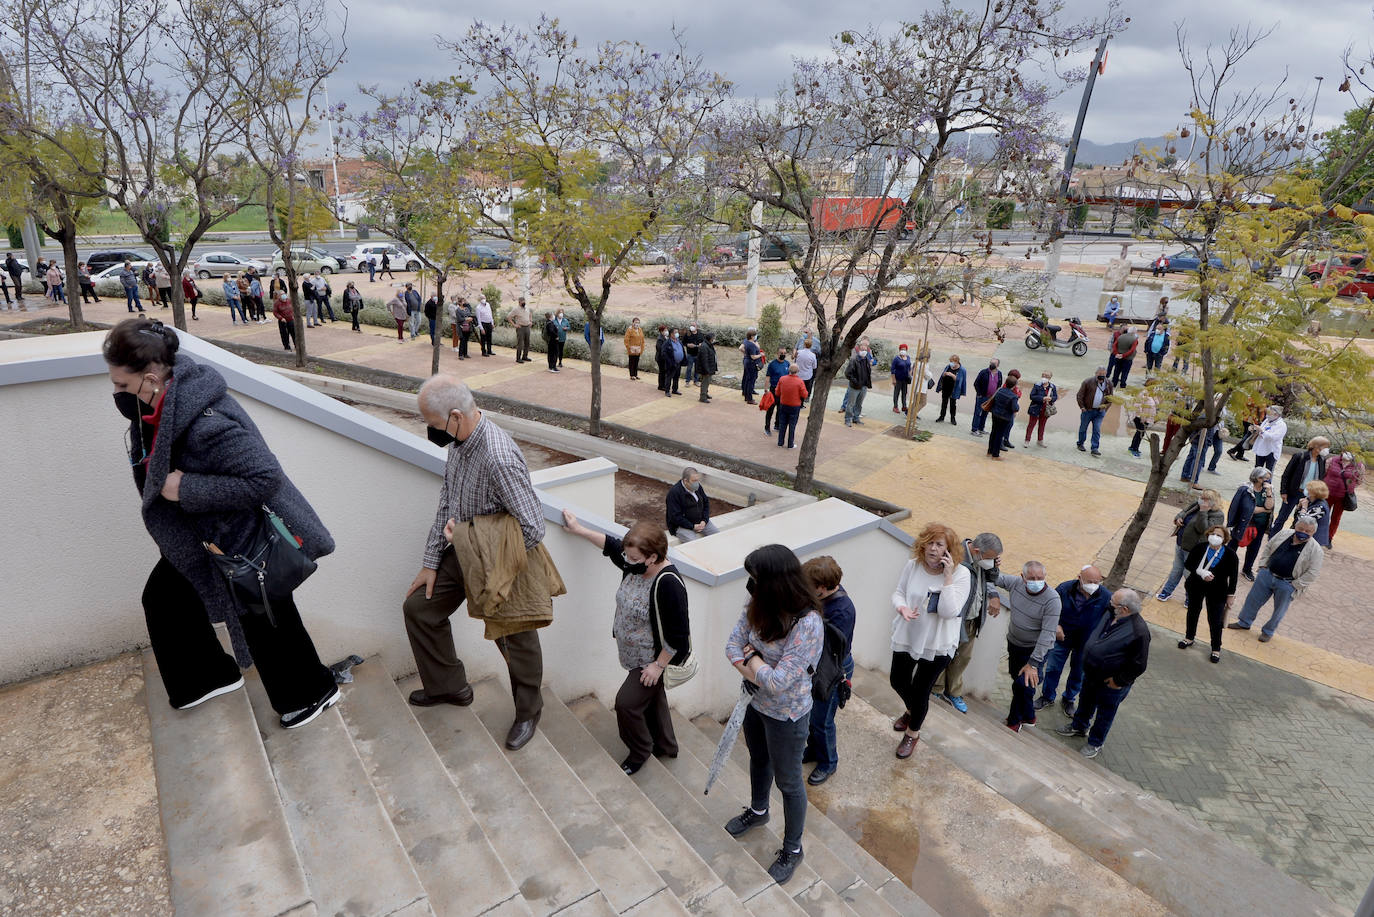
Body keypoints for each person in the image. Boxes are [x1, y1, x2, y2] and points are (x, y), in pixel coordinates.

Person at [103, 318, 338, 728]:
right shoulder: (165, 400)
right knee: (166, 600)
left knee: (267, 619)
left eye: (122, 385)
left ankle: (313, 692)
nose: (117, 393)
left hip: (241, 540)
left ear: (153, 377)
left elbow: (265, 477)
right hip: (203, 536)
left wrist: (187, 489)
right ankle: (206, 677)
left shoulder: (205, 423)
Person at [404, 376, 562, 751]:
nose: (431, 431)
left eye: (433, 424)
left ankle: (528, 712)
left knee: (516, 640)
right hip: (461, 555)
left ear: (456, 416)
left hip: (502, 563)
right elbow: (447, 499)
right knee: (419, 609)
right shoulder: (458, 444)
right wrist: (430, 562)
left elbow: (533, 527)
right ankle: (449, 687)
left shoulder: (499, 457)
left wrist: (477, 541)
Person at [723, 544, 825, 885]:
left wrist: (750, 659)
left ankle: (793, 849)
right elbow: (731, 645)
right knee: (758, 759)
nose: (751, 585)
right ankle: (758, 811)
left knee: (789, 781)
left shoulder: (807, 623)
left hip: (788, 716)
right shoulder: (759, 603)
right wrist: (757, 667)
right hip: (755, 703)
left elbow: (780, 683)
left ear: (777, 581)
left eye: (756, 578)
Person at [562, 512, 689, 775]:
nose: (627, 562)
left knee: (627, 704)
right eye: (628, 556)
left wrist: (657, 667)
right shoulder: (635, 564)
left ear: (653, 557)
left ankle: (640, 751)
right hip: (632, 654)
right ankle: (666, 746)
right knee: (653, 699)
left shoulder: (668, 584)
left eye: (633, 558)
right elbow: (611, 546)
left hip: (650, 660)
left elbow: (678, 635)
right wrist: (579, 530)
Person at [887, 523, 972, 758]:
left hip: (938, 643)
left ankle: (912, 733)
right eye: (930, 543)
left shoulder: (961, 575)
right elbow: (899, 592)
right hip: (909, 633)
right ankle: (912, 711)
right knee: (897, 679)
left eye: (939, 545)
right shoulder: (913, 565)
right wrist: (901, 607)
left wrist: (947, 578)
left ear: (948, 550)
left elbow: (948, 611)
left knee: (921, 689)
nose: (933, 549)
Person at [1054, 589, 1150, 758]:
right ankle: (1079, 726)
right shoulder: (1112, 613)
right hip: (1092, 674)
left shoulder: (1139, 632)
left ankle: (1095, 742)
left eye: (1113, 602)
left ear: (1125, 609)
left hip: (1111, 683)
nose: (1109, 603)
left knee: (1105, 714)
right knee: (1085, 701)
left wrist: (1118, 681)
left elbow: (1139, 665)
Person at [931, 532, 1002, 714]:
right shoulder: (956, 556)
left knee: (962, 658)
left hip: (973, 619)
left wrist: (993, 568)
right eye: (989, 558)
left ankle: (953, 692)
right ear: (977, 550)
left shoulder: (981, 560)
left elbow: (990, 580)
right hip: (955, 618)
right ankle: (936, 689)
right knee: (943, 653)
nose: (990, 561)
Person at [802, 556, 855, 785]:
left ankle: (828, 763)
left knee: (822, 720)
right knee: (813, 717)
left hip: (832, 670)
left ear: (822, 588)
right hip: (819, 667)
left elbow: (825, 647)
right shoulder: (826, 596)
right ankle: (814, 750)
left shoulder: (842, 611)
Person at [1227, 516, 1323, 642]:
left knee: (1279, 610)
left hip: (1287, 583)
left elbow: (1312, 573)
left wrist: (1294, 585)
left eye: (1307, 531)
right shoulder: (1284, 533)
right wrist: (1262, 566)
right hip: (1267, 574)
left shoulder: (1316, 550)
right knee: (1252, 600)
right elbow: (1268, 547)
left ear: (1313, 532)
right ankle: (1244, 622)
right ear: (1296, 526)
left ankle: (1268, 631)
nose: (1303, 532)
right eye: (1301, 529)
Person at [1036, 565, 1111, 716]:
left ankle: (1069, 699)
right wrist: (1056, 626)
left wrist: (1100, 638)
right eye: (1089, 581)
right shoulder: (1064, 589)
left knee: (1079, 673)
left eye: (1097, 582)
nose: (1093, 585)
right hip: (1061, 639)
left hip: (1086, 644)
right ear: (1079, 578)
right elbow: (1049, 608)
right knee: (1053, 668)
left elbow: (1110, 619)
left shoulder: (1105, 596)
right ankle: (1047, 696)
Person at [996, 561, 1061, 732]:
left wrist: (1033, 663)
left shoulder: (1052, 600)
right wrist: (992, 594)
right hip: (1014, 643)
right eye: (1031, 578)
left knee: (1022, 684)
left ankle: (1013, 722)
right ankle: (1029, 715)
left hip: (1035, 650)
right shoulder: (1015, 584)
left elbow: (1048, 634)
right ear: (1022, 577)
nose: (1036, 581)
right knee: (1017, 679)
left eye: (1040, 578)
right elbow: (993, 577)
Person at [1180, 525, 1239, 663]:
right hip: (1196, 586)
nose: (1215, 537)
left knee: (1215, 619)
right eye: (1213, 533)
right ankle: (1189, 637)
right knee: (1193, 611)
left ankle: (1216, 648)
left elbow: (1234, 577)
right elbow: (1188, 564)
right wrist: (1200, 572)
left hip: (1218, 590)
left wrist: (1231, 595)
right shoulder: (1200, 548)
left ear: (1224, 539)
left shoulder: (1231, 555)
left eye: (1219, 535)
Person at [1157, 489, 1225, 601]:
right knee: (1176, 571)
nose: (1201, 500)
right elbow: (1184, 512)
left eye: (1205, 499)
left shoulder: (1217, 515)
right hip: (1181, 545)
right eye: (1201, 497)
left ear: (1213, 502)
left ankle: (1191, 597)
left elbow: (1204, 529)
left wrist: (1203, 512)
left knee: (1189, 574)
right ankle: (1167, 591)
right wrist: (1178, 518)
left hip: (1194, 550)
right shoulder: (1196, 505)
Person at [1270, 437, 1330, 535]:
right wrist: (1283, 491)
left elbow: (1321, 478)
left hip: (1309, 495)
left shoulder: (1322, 460)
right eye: (1325, 447)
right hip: (1293, 492)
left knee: (1299, 520)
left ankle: (1293, 538)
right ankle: (1272, 538)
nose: (1326, 450)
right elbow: (1286, 475)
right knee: (1282, 517)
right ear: (1316, 446)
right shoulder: (1300, 456)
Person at [1229, 467, 1275, 581]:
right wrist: (1263, 510)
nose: (1268, 481)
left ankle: (1247, 569)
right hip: (1243, 523)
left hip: (1260, 525)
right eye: (1266, 479)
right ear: (1258, 478)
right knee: (1233, 544)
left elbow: (1270, 507)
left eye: (1269, 479)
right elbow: (1248, 509)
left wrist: (1269, 493)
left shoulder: (1267, 490)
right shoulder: (1245, 489)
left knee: (1254, 547)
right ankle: (1225, 565)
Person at [1323, 447, 1365, 544]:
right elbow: (1324, 473)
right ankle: (1320, 534)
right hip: (1327, 494)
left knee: (1336, 518)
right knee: (1323, 515)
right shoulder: (1332, 460)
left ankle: (1329, 537)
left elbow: (1359, 480)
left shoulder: (1359, 466)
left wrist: (1350, 487)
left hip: (1343, 497)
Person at [666, 467, 717, 541]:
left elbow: (706, 503)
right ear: (685, 481)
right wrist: (692, 526)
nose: (697, 483)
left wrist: (704, 520)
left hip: (701, 522)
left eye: (697, 480)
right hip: (682, 526)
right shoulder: (674, 493)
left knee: (718, 536)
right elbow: (675, 517)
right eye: (694, 481)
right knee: (694, 544)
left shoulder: (698, 488)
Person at [1075, 367, 1112, 457]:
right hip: (1087, 410)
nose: (1101, 377)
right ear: (1096, 374)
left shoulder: (1109, 384)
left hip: (1099, 412)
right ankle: (1080, 443)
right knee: (1083, 428)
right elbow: (1080, 395)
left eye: (1103, 375)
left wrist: (1105, 408)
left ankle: (1094, 448)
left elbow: (1111, 398)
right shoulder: (1087, 382)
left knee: (1097, 429)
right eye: (1100, 375)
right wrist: (1082, 407)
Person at [985, 374, 1019, 460]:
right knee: (999, 435)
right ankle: (995, 455)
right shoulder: (1013, 396)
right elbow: (1015, 408)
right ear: (1014, 386)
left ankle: (990, 451)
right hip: (1004, 417)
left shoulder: (999, 390)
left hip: (995, 414)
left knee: (994, 432)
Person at [774, 364, 807, 449]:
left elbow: (777, 392)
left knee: (782, 424)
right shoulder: (800, 382)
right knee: (792, 425)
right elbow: (804, 394)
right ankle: (790, 444)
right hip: (794, 406)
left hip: (783, 404)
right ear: (797, 371)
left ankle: (780, 442)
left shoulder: (782, 379)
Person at [842, 339, 873, 428]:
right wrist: (855, 381)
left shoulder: (866, 360)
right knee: (851, 403)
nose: (864, 350)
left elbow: (868, 372)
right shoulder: (854, 360)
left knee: (859, 403)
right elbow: (848, 373)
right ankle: (848, 419)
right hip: (855, 386)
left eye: (865, 348)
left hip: (863, 386)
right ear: (859, 349)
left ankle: (856, 418)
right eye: (862, 348)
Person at [1024, 370, 1058, 447]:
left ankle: (1040, 440)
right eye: (1043, 375)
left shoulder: (1052, 387)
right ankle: (1027, 440)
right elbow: (1032, 396)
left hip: (1045, 409)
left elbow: (1055, 397)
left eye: (1047, 376)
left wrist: (1051, 399)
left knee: (1042, 425)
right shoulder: (1037, 385)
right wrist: (1042, 398)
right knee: (1031, 425)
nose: (1044, 377)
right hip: (1035, 408)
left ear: (1050, 378)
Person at [969, 358, 1001, 436]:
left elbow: (999, 385)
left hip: (991, 398)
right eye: (991, 363)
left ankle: (981, 428)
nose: (992, 364)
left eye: (994, 363)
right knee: (978, 413)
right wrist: (979, 394)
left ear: (998, 365)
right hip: (982, 397)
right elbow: (976, 383)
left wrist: (995, 396)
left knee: (985, 413)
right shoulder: (983, 372)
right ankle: (974, 429)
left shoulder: (999, 373)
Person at [1250, 406, 1287, 472]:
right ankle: (1255, 482)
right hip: (1261, 447)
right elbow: (1261, 431)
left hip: (1271, 451)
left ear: (1276, 414)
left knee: (1268, 472)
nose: (1267, 415)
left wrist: (1262, 431)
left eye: (1269, 413)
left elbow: (1274, 437)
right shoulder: (1267, 421)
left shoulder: (1281, 425)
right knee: (1257, 469)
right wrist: (1254, 429)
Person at [764, 347, 790, 433]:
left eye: (784, 353)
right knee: (770, 409)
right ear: (777, 353)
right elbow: (768, 377)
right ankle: (767, 427)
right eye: (781, 353)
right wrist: (766, 389)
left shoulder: (787, 364)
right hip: (773, 390)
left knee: (781, 409)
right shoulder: (772, 364)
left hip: (783, 391)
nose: (783, 354)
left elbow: (789, 377)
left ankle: (777, 425)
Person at [1127, 385, 1158, 458]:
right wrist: (1142, 417)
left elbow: (1157, 403)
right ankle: (1135, 449)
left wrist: (1155, 396)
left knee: (1139, 432)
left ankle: (1132, 447)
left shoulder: (1152, 394)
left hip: (1147, 418)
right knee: (1140, 433)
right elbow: (1138, 405)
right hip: (1140, 418)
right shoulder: (1143, 393)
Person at [935, 355, 966, 424]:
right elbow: (942, 376)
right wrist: (945, 374)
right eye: (950, 361)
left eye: (953, 362)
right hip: (945, 388)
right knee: (944, 403)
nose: (951, 363)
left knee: (953, 404)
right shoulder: (948, 366)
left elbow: (960, 380)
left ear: (957, 361)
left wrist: (952, 375)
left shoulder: (962, 370)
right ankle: (942, 417)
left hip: (954, 390)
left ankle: (953, 418)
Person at [1108, 324, 1137, 388]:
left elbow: (1114, 345)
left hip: (1118, 357)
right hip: (1127, 358)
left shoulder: (1120, 337)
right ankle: (1122, 385)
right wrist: (1123, 355)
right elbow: (1132, 350)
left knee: (1116, 371)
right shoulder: (1134, 339)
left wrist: (1117, 354)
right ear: (1134, 332)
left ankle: (1114, 384)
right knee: (1125, 373)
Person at [740, 329, 763, 404]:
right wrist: (761, 355)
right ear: (752, 336)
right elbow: (753, 356)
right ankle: (749, 398)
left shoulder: (746, 342)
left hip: (747, 362)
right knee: (751, 380)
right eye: (755, 335)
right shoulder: (752, 345)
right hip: (752, 363)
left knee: (747, 379)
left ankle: (746, 395)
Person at [508, 296, 533, 362]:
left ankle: (525, 356)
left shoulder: (527, 307)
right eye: (522, 302)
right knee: (520, 343)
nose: (524, 303)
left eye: (524, 302)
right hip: (520, 328)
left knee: (527, 342)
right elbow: (509, 317)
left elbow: (530, 314)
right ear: (519, 302)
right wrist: (514, 325)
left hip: (527, 327)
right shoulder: (516, 309)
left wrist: (531, 321)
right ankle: (518, 358)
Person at [696, 332, 718, 403]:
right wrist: (707, 370)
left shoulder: (709, 345)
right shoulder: (704, 346)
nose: (714, 339)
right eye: (713, 338)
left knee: (707, 382)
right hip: (706, 369)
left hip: (710, 367)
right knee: (705, 382)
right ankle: (703, 397)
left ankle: (705, 393)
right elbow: (704, 360)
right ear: (710, 339)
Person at [682, 322, 703, 387]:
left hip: (698, 354)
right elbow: (683, 342)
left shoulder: (700, 334)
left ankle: (696, 381)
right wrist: (688, 345)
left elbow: (703, 342)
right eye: (691, 325)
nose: (692, 327)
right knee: (689, 368)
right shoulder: (687, 334)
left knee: (697, 368)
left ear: (697, 327)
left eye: (693, 325)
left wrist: (701, 345)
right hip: (690, 354)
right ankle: (687, 381)